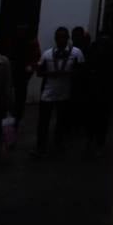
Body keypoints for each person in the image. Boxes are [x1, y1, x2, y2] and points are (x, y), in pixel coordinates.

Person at [34, 26, 83, 156]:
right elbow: (39, 71)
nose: (61, 40)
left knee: (61, 122)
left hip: (65, 93)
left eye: (64, 37)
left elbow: (82, 71)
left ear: (68, 38)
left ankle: (58, 145)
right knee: (43, 121)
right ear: (55, 39)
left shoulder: (76, 53)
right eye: (59, 37)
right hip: (49, 92)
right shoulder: (48, 53)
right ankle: (41, 146)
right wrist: (51, 73)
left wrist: (68, 73)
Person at [4, 23, 40, 125]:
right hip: (14, 69)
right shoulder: (13, 41)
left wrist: (30, 68)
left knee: (20, 94)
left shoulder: (31, 41)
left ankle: (16, 117)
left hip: (22, 71)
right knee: (12, 94)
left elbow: (36, 56)